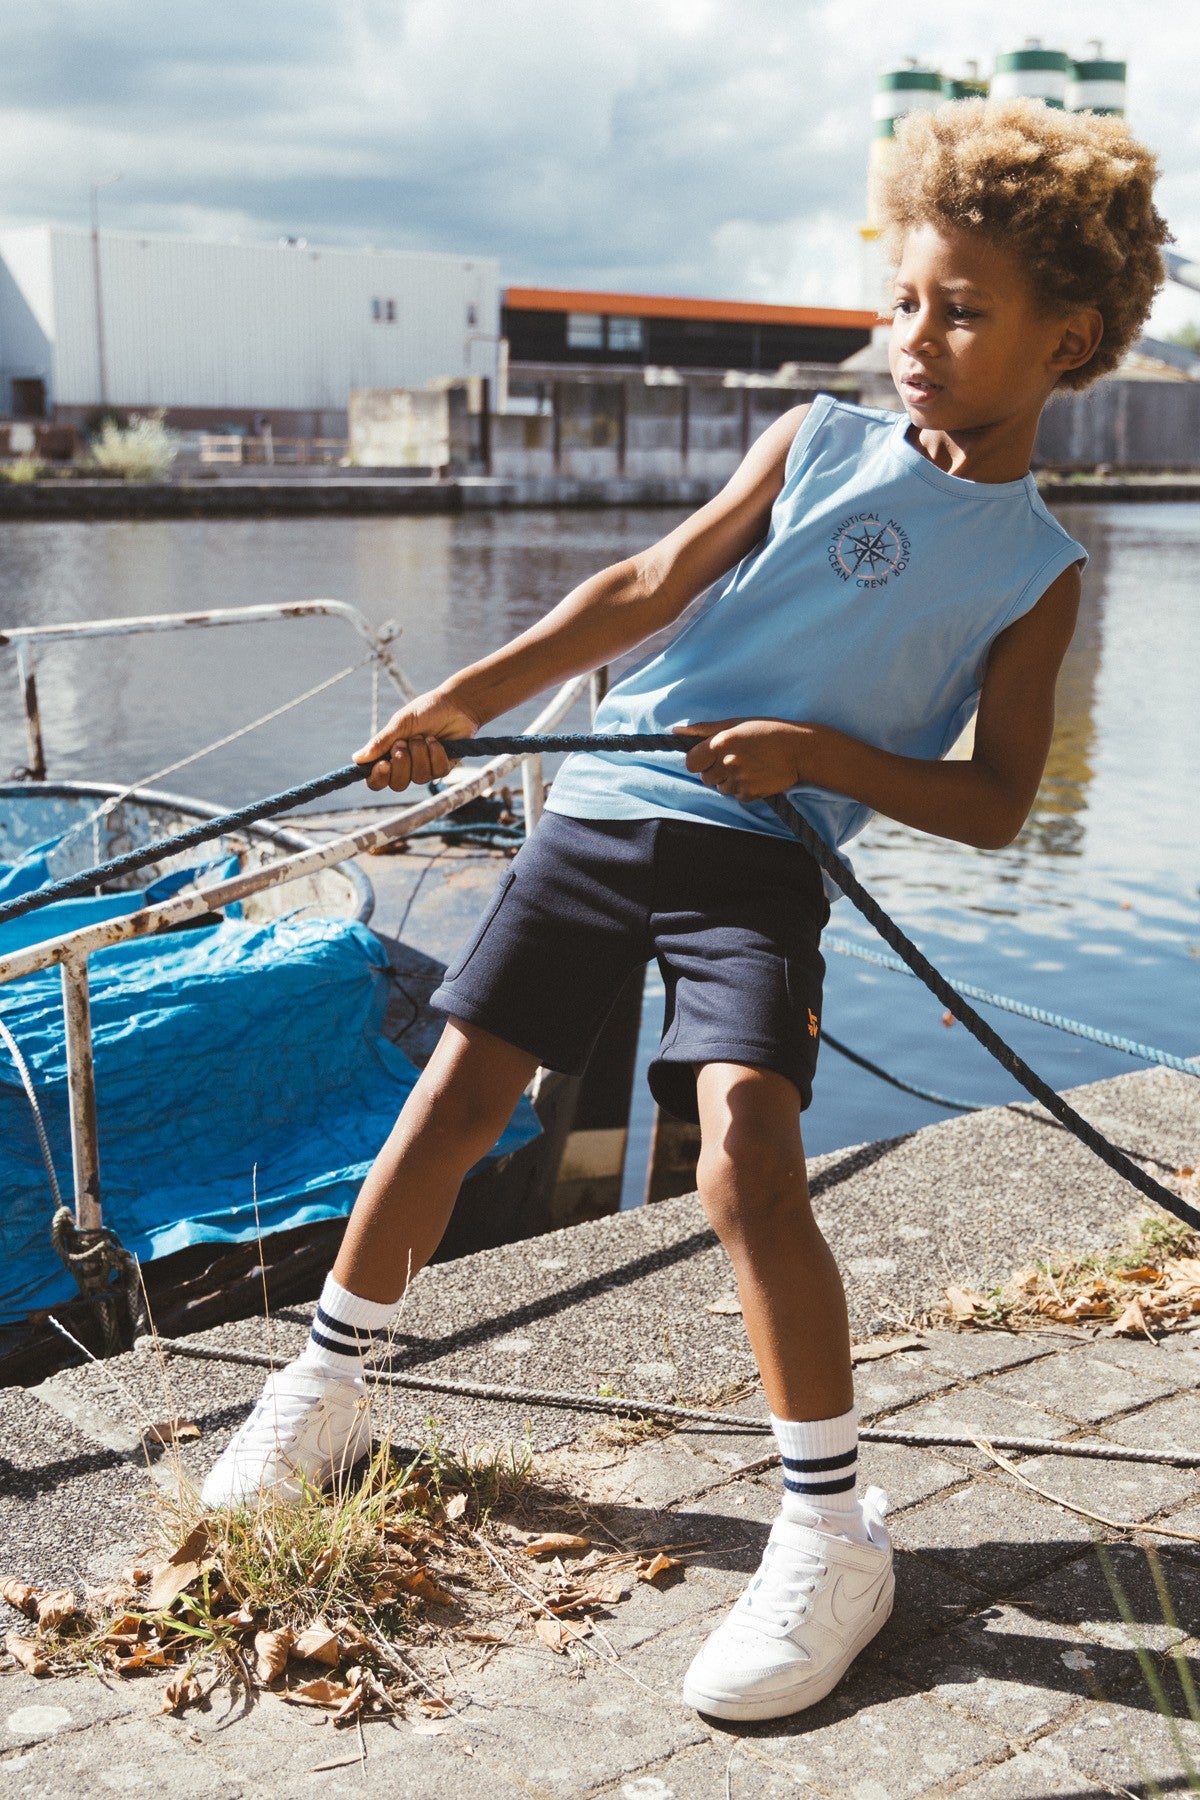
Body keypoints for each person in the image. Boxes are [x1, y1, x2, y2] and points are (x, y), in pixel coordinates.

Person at [202, 99, 1167, 1720]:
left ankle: (830, 1530)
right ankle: (328, 1384)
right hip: (606, 805)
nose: (915, 338)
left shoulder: (1037, 568)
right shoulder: (815, 439)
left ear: (1067, 339)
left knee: (744, 1155)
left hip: (762, 857)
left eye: (963, 311)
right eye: (905, 301)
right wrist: (465, 696)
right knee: (457, 1097)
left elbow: (999, 802)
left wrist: (821, 757)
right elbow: (643, 589)